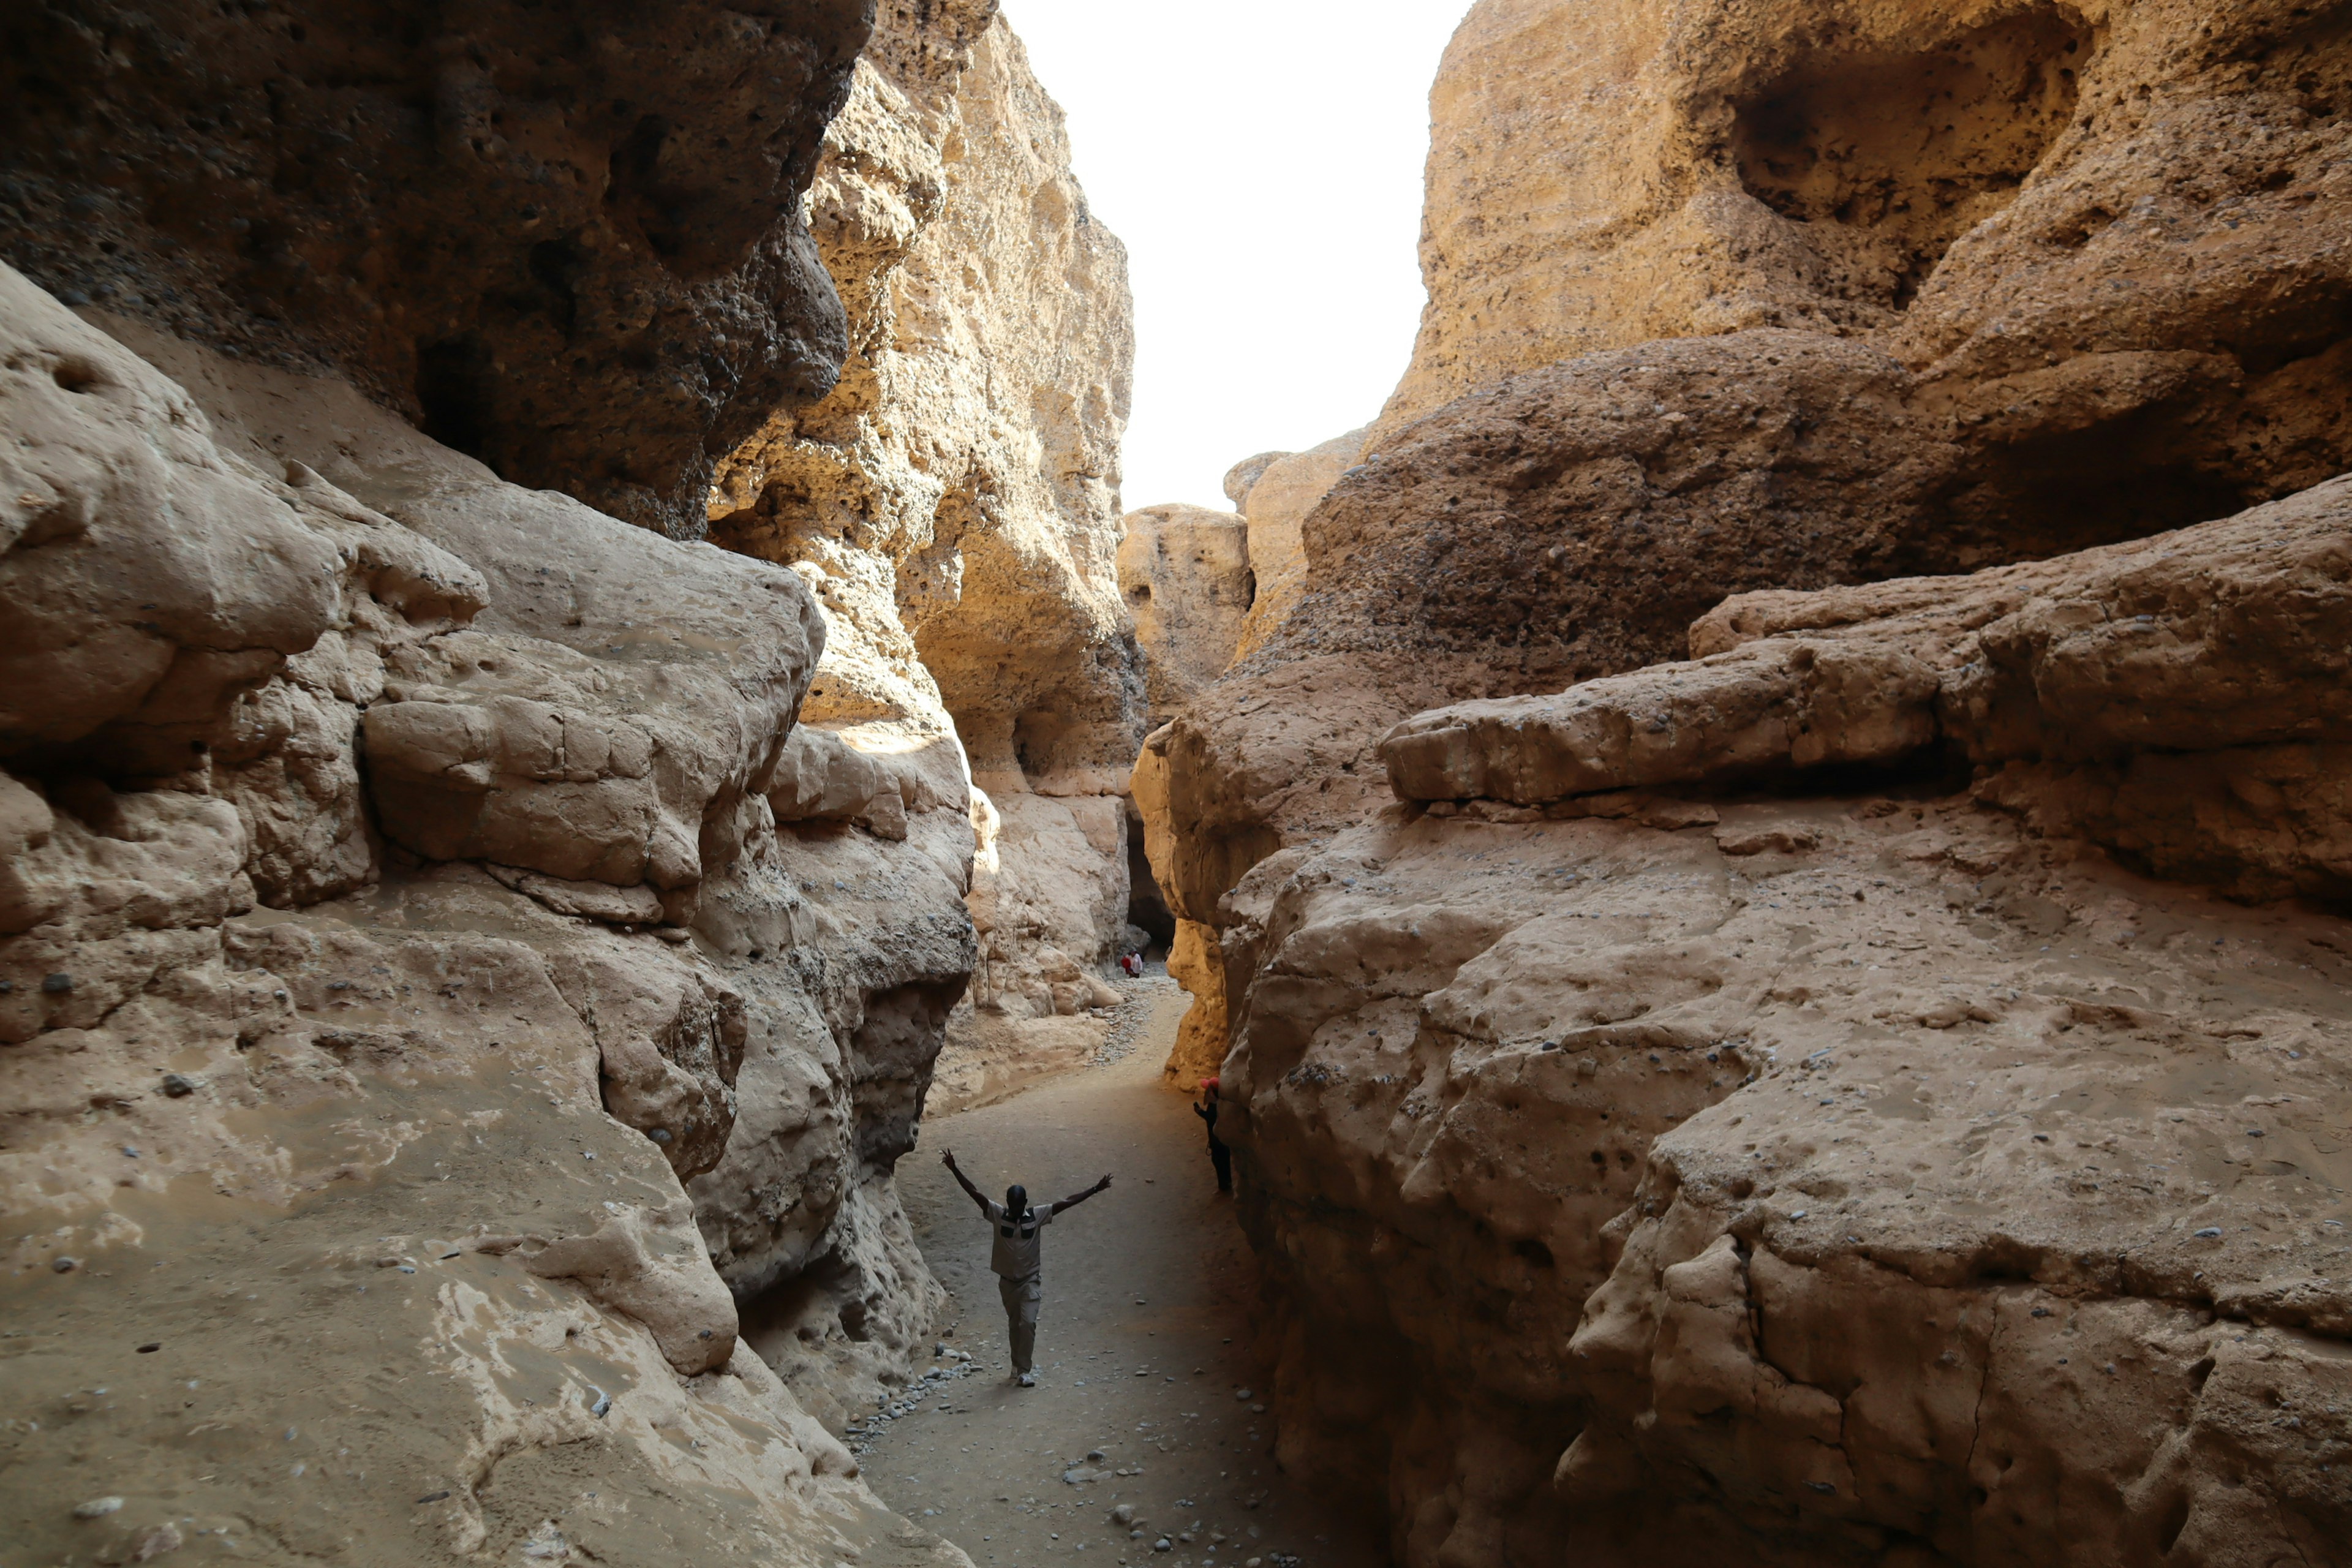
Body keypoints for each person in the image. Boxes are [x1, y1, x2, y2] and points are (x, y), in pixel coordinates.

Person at [941, 1148, 1111, 1386]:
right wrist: (955, 1169)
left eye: (1019, 1206)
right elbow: (974, 1193)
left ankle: (1024, 1371)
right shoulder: (998, 1214)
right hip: (1007, 1283)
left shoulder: (1038, 1215)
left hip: (1030, 1280)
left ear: (1026, 1204)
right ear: (1008, 1202)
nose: (1016, 1210)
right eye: (1013, 1205)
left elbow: (1067, 1203)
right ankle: (1015, 1364)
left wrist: (1094, 1189)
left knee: (1028, 1323)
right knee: (1014, 1325)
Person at [1193, 1077, 1232, 1194]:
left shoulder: (1215, 1106)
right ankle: (1228, 1182)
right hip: (1224, 1138)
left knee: (1218, 1161)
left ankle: (1224, 1186)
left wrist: (1200, 1112)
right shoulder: (1222, 1103)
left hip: (1217, 1139)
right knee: (1225, 1161)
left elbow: (1210, 1119)